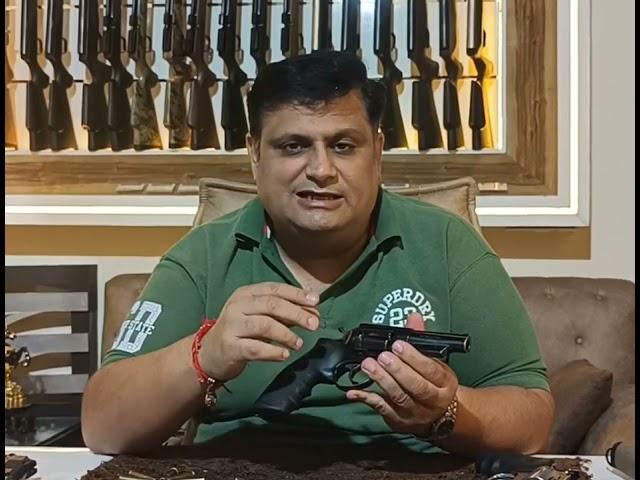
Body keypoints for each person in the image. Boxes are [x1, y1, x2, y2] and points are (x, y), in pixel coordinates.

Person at [81, 51, 554, 456]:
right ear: (254, 155)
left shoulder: (449, 245)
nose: (321, 170)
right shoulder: (203, 255)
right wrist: (205, 355)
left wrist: (447, 413)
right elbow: (101, 426)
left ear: (378, 152)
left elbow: (533, 418)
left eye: (343, 146)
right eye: (294, 146)